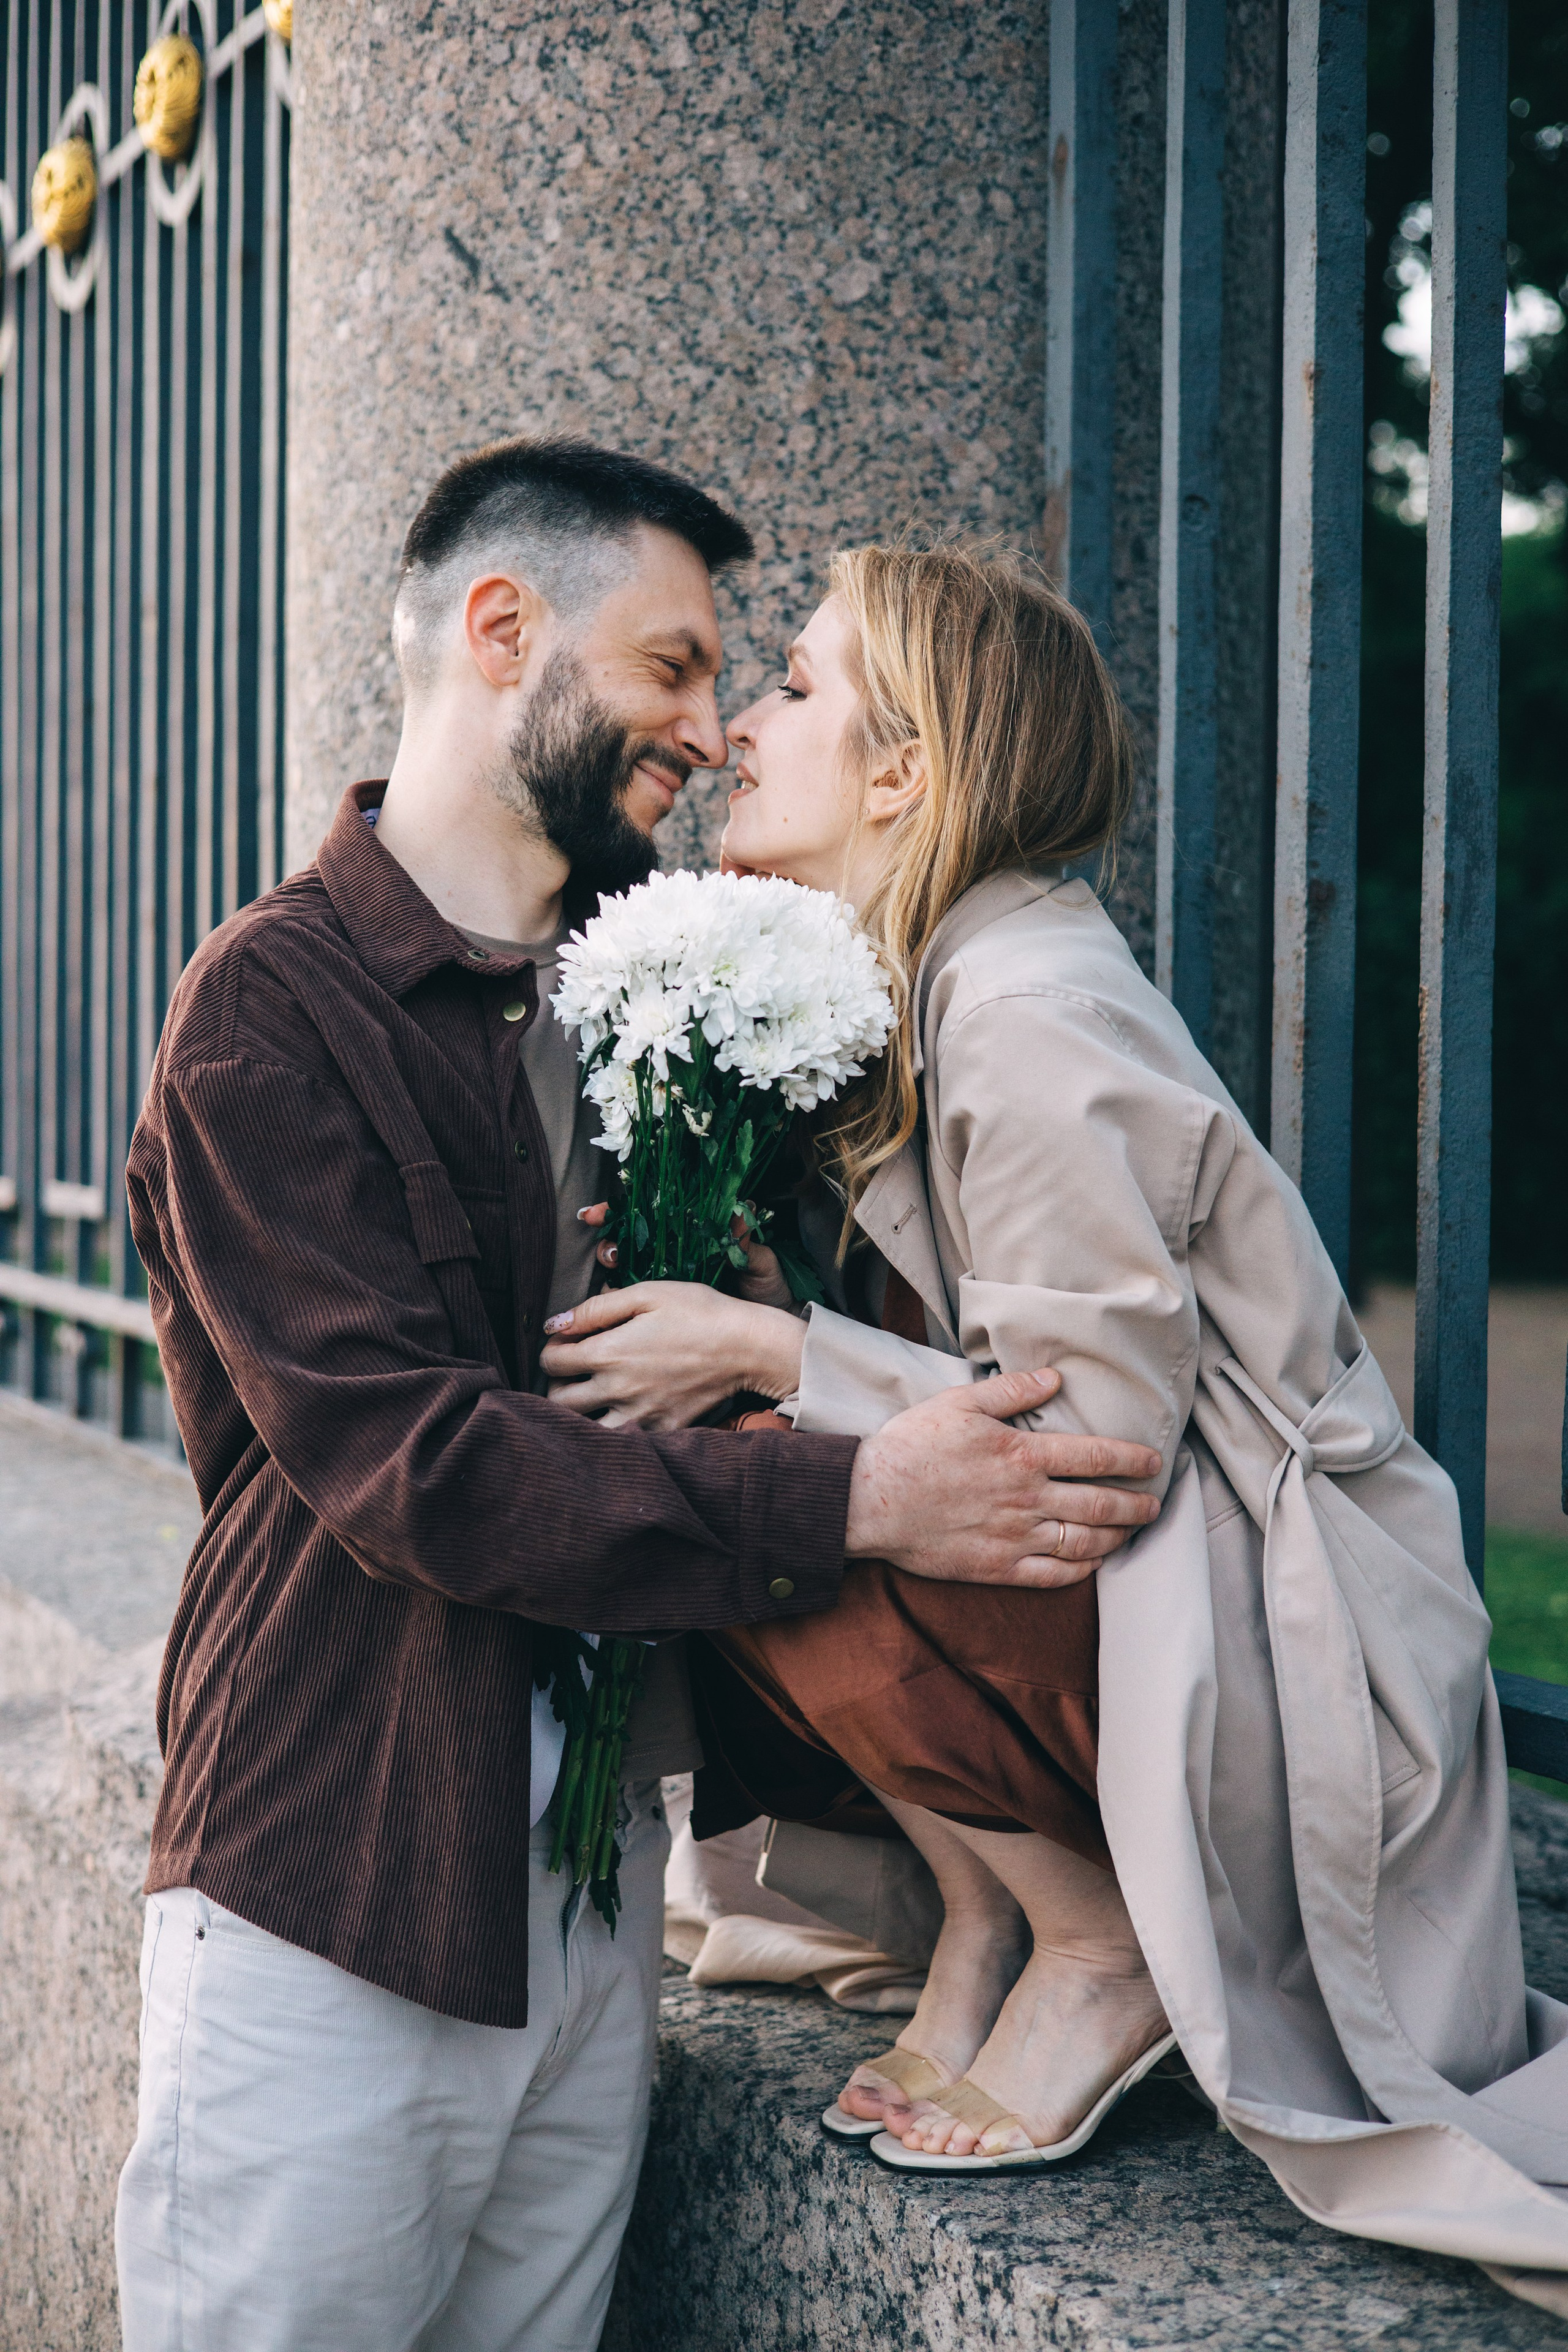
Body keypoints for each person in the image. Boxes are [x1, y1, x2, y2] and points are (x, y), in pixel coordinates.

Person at [114, 447, 1166, 2352]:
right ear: (504, 633)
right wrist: (852, 1495)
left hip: (596, 1913)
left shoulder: (640, 1000)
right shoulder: (269, 1012)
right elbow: (409, 1466)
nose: (707, 723)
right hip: (340, 1884)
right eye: (675, 666)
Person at [540, 543, 1568, 2316]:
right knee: (763, 1481)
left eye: (793, 686)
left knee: (782, 1503)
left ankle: (1097, 1942)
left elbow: (1088, 1446)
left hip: (1267, 1628)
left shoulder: (1019, 1012)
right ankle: (995, 1922)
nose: (737, 735)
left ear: (903, 776)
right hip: (1160, 1596)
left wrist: (771, 1343)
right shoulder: (925, 975)